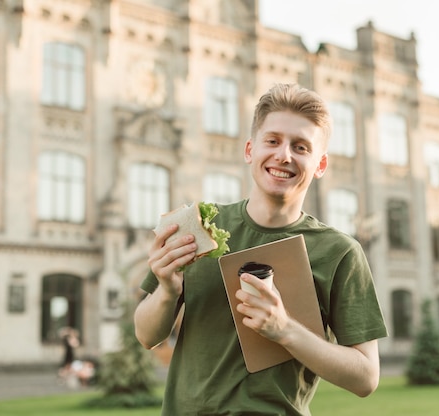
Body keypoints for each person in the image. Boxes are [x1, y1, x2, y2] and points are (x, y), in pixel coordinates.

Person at [134, 83, 388, 415]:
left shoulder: (340, 252)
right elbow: (145, 335)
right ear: (250, 150)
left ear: (320, 165)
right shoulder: (201, 227)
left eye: (301, 147)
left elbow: (366, 377)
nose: (284, 155)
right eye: (273, 141)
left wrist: (285, 329)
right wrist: (167, 290)